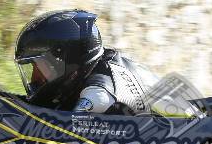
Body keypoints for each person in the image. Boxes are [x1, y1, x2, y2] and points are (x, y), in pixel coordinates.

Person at [14, 9, 161, 115]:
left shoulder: (97, 96)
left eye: (38, 67)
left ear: (63, 61)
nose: (34, 78)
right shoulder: (102, 64)